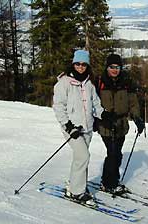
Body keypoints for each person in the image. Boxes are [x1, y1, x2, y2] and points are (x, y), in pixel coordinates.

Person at [53, 49, 104, 202]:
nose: (81, 67)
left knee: (80, 158)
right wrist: (68, 126)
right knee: (83, 156)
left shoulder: (89, 83)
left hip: (87, 127)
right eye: (78, 64)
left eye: (84, 64)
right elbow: (58, 106)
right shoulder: (64, 82)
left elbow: (95, 103)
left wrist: (104, 115)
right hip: (72, 128)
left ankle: (77, 184)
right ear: (73, 64)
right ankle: (76, 192)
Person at [93, 53, 145, 194]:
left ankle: (111, 180)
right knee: (112, 153)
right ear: (107, 67)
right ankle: (109, 183)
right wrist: (94, 120)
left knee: (118, 154)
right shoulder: (99, 82)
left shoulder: (126, 82)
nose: (115, 70)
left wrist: (137, 118)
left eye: (117, 67)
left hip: (121, 124)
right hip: (105, 124)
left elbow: (133, 102)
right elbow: (93, 102)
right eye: (112, 67)